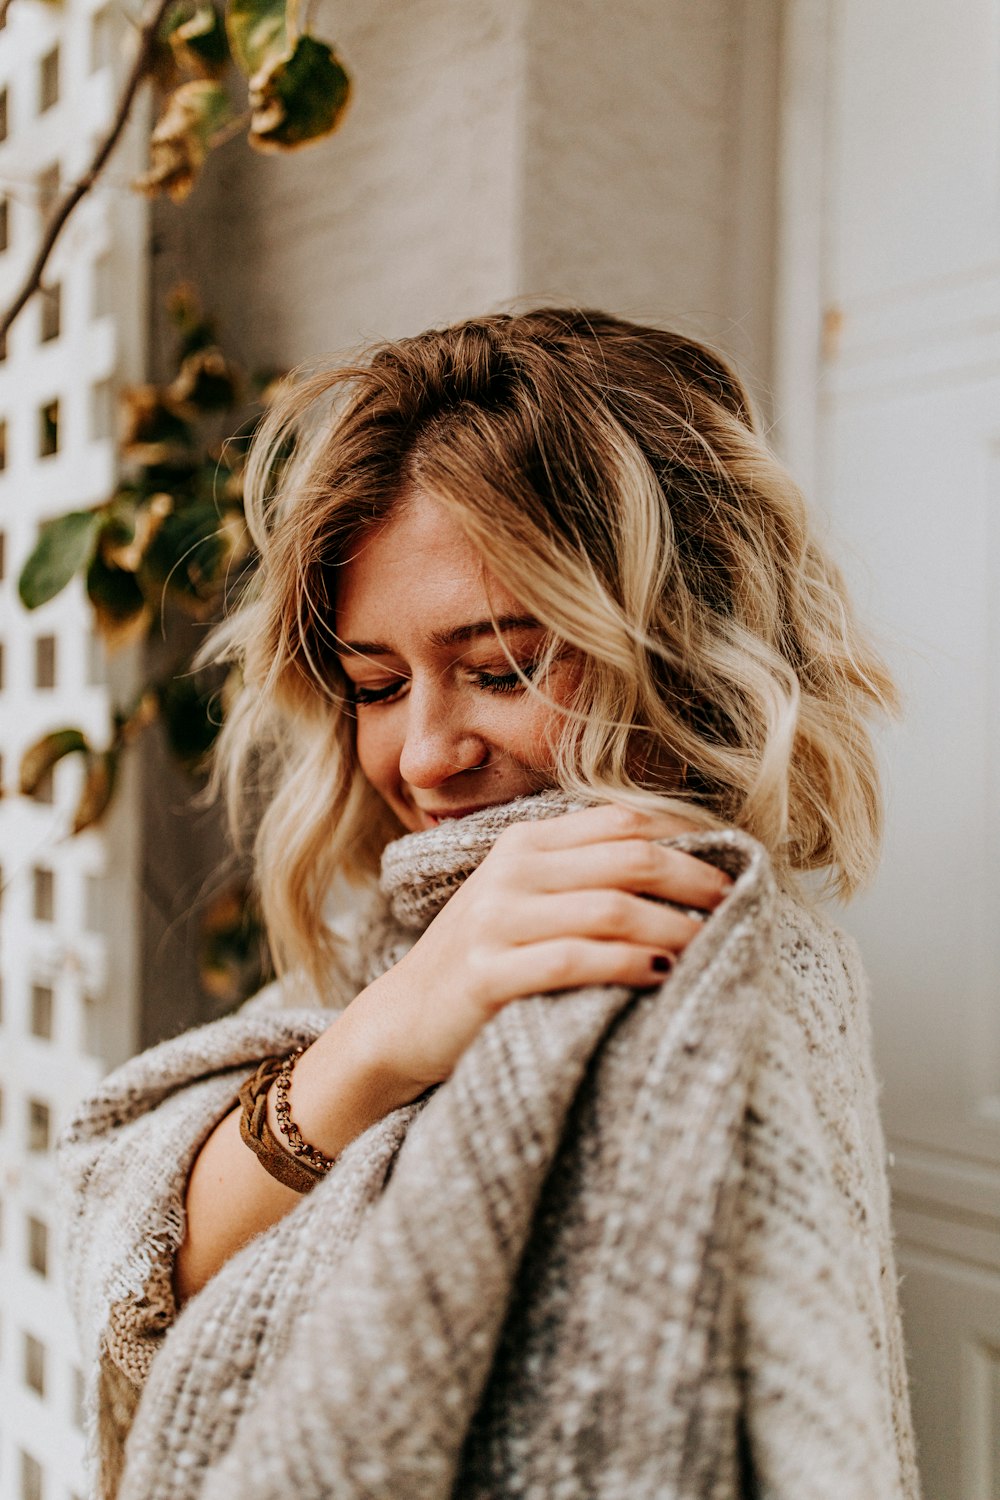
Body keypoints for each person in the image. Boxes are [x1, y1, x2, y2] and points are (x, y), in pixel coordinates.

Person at [60, 309, 920, 1500]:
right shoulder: (394, 944)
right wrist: (384, 1034)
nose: (423, 755)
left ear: (679, 640)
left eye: (504, 668)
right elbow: (128, 1254)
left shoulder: (695, 969)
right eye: (375, 684)